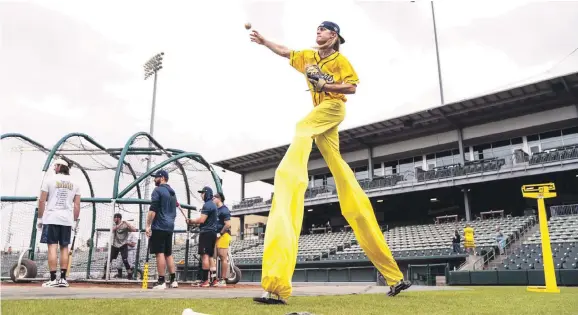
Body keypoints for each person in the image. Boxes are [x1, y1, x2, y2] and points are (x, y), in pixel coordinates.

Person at [249, 21, 411, 304]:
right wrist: (265, 42)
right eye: (317, 31)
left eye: (322, 31)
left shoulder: (340, 59)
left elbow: (352, 87)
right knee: (342, 174)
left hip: (333, 108)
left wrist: (327, 84)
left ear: (333, 36)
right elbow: (287, 52)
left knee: (301, 129)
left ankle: (276, 284)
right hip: (323, 115)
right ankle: (396, 277)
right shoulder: (309, 57)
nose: (317, 34)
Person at [37, 158, 81, 288]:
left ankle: (52, 279)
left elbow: (41, 201)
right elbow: (77, 205)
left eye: (55, 165)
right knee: (64, 247)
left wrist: (40, 219)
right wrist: (74, 221)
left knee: (52, 247)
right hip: (66, 219)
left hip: (51, 218)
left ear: (59, 166)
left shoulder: (49, 180)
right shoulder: (75, 183)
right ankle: (62, 279)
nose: (53, 167)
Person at [145, 169, 178, 289]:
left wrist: (148, 226)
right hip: (170, 226)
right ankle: (173, 280)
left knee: (160, 253)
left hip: (159, 226)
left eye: (156, 177)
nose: (155, 179)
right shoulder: (173, 193)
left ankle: (161, 281)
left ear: (162, 178)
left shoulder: (157, 190)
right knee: (168, 254)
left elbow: (153, 210)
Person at [187, 186, 219, 287]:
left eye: (202, 193)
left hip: (206, 233)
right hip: (212, 233)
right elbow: (204, 221)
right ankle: (214, 280)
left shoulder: (207, 205)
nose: (201, 195)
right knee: (209, 257)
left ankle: (205, 281)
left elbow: (201, 220)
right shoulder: (213, 205)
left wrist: (191, 221)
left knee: (204, 256)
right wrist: (195, 223)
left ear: (207, 193)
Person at [103, 213, 137, 280]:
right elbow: (113, 229)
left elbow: (134, 230)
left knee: (125, 260)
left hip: (123, 245)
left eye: (115, 218)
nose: (113, 219)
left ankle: (129, 274)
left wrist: (127, 223)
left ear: (118, 218)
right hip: (115, 244)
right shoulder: (113, 224)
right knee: (109, 259)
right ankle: (105, 274)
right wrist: (120, 224)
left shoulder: (124, 225)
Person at [212, 192, 232, 287]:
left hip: (223, 235)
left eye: (214, 198)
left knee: (223, 256)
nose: (212, 200)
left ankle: (223, 279)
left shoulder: (224, 210)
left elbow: (228, 224)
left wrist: (221, 233)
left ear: (219, 198)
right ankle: (215, 279)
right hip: (216, 234)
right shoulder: (216, 209)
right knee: (214, 256)